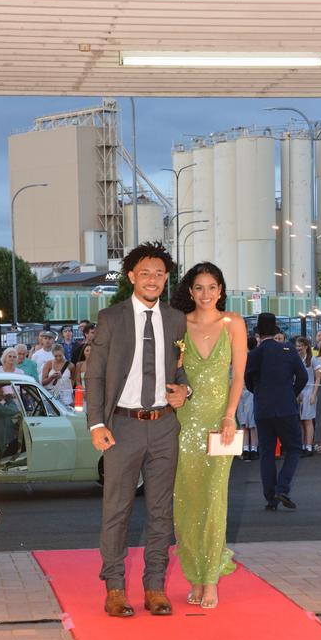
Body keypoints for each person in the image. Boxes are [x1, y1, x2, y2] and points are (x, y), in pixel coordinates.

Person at [86, 241, 190, 619]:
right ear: (131, 276)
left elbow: (179, 369)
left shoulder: (177, 319)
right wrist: (96, 423)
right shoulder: (111, 318)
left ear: (166, 279)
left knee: (162, 512)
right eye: (145, 273)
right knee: (117, 510)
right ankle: (114, 587)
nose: (152, 279)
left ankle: (155, 586)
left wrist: (185, 389)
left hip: (164, 426)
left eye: (159, 274)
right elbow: (94, 374)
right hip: (122, 427)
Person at [170, 262, 247, 609]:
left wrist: (230, 416)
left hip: (220, 425)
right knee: (186, 502)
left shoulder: (233, 324)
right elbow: (172, 375)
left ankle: (211, 579)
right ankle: (194, 576)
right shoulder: (179, 325)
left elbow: (239, 377)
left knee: (215, 502)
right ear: (190, 291)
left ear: (221, 290)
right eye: (199, 287)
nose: (205, 294)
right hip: (184, 424)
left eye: (212, 287)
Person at [245, 312, 307, 511]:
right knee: (295, 448)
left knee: (267, 453)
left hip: (263, 409)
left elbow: (248, 381)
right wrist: (291, 393)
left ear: (259, 334)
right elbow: (303, 377)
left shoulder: (254, 354)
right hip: (286, 407)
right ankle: (283, 488)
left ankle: (271, 499)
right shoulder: (288, 350)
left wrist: (260, 393)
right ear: (275, 332)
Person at [0, 383, 21, 458]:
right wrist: (9, 399)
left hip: (3, 434)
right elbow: (14, 410)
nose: (2, 390)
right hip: (2, 437)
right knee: (6, 453)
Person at [295, 336, 316, 455]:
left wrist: (313, 394)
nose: (298, 348)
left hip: (309, 393)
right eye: (297, 346)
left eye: (300, 346)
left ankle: (308, 446)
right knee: (300, 421)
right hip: (299, 394)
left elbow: (318, 377)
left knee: (308, 420)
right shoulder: (295, 359)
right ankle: (302, 445)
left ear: (306, 347)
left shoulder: (312, 359)